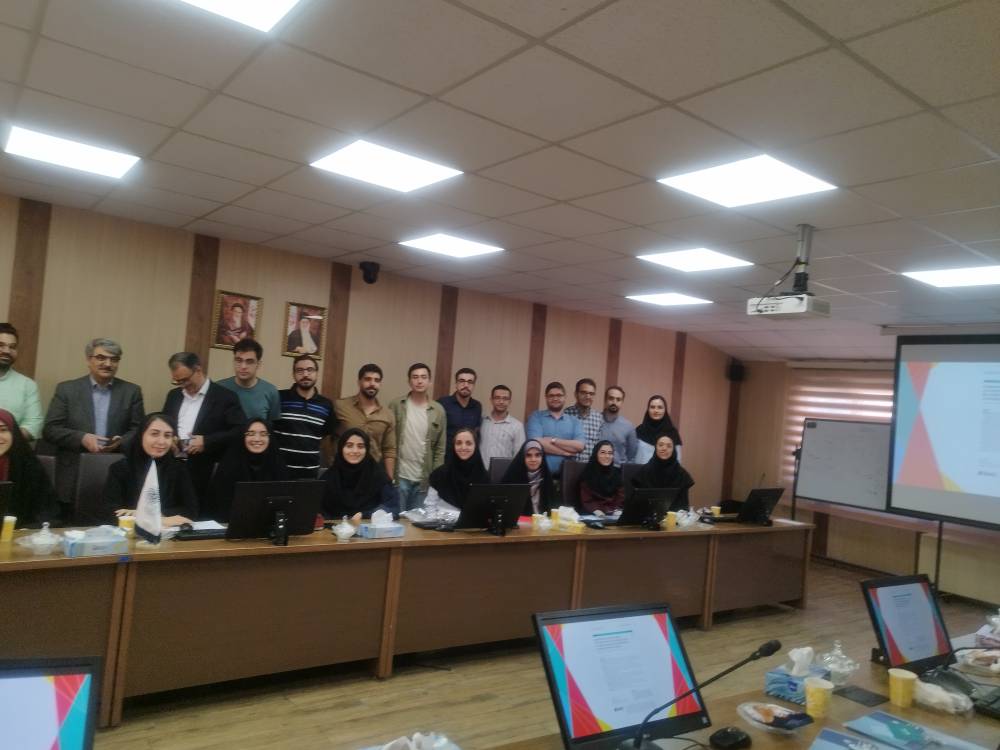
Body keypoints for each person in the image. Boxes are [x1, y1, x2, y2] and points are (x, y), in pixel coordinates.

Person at [42, 338, 145, 513]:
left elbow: (139, 430)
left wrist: (121, 441)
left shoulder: (131, 392)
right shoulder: (67, 390)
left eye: (114, 359)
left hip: (116, 470)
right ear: (89, 360)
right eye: (101, 358)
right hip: (72, 472)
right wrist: (82, 438)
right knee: (69, 522)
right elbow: (50, 429)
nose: (108, 364)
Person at [162, 352, 244, 509]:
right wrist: (169, 438)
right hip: (172, 467)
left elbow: (239, 431)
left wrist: (206, 441)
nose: (182, 385)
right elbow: (164, 423)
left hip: (205, 472)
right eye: (177, 381)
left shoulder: (225, 397)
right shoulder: (173, 395)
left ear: (198, 369)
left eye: (185, 379)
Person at [100, 412, 198, 526]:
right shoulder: (120, 468)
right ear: (141, 435)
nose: (161, 441)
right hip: (129, 533)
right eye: (154, 434)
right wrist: (157, 518)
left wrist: (146, 516)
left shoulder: (178, 468)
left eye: (167, 436)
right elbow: (109, 513)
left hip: (170, 534)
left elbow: (191, 511)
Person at [207, 418, 289, 522]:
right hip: (230, 524)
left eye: (263, 434)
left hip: (268, 525)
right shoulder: (229, 465)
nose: (257, 439)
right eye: (250, 434)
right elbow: (220, 506)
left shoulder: (277, 464)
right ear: (242, 436)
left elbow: (283, 504)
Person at [388, 363, 445, 512]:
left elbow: (440, 449)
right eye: (415, 377)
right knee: (396, 520)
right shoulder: (396, 405)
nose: (419, 381)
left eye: (423, 377)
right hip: (400, 477)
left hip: (423, 480)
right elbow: (387, 442)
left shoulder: (438, 410)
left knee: (417, 523)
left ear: (429, 381)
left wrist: (435, 479)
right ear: (409, 381)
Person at [273, 355, 337, 479]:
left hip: (310, 473)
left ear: (317, 373)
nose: (305, 374)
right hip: (279, 471)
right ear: (293, 374)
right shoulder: (280, 398)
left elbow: (325, 436)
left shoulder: (326, 405)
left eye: (310, 370)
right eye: (300, 370)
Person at [321, 428, 399, 521]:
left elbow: (393, 507)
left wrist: (365, 515)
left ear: (367, 449)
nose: (355, 451)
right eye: (349, 446)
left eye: (360, 446)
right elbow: (318, 511)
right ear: (341, 448)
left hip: (370, 527)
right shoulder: (328, 478)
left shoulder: (378, 476)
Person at [334, 364, 396, 478]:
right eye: (367, 379)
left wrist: (390, 479)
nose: (372, 383)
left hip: (373, 473)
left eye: (376, 380)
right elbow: (328, 438)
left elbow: (389, 449)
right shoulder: (340, 406)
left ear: (380, 384)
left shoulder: (388, 415)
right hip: (343, 472)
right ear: (359, 382)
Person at [0, 409, 59, 526]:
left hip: (21, 533)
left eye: (3, 430)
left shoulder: (29, 466)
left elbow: (47, 512)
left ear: (13, 433)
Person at [424, 427, 490, 512]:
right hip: (440, 520)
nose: (463, 447)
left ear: (476, 446)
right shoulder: (440, 474)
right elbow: (429, 506)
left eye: (469, 443)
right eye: (458, 443)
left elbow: (485, 510)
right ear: (453, 446)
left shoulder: (484, 477)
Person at [525, 381, 585, 473]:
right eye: (551, 396)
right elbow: (535, 443)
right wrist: (564, 452)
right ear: (546, 397)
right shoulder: (536, 416)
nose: (555, 398)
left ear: (565, 397)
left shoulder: (575, 421)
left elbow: (579, 446)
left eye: (559, 395)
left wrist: (553, 440)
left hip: (567, 475)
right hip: (540, 473)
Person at [217, 338, 280, 423]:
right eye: (239, 360)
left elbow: (273, 426)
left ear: (258, 364)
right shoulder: (219, 388)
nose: (243, 366)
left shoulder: (271, 391)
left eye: (249, 361)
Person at [0, 323, 44, 440]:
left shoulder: (27, 385)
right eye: (1, 345)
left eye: (12, 347)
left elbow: (34, 425)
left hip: (12, 449)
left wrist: (5, 439)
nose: (7, 351)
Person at [631, 434, 695, 511]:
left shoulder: (682, 474)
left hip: (674, 516)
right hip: (646, 516)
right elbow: (636, 504)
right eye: (660, 445)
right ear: (656, 448)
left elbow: (683, 505)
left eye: (669, 446)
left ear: (673, 450)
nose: (664, 448)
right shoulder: (644, 472)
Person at [500, 439, 556, 515]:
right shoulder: (512, 478)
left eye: (537, 455)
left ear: (542, 457)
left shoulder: (546, 478)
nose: (533, 459)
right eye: (528, 455)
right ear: (522, 457)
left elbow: (554, 508)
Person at [479, 384, 525, 470]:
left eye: (505, 398)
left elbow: (519, 456)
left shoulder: (517, 426)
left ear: (510, 401)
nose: (501, 401)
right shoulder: (482, 421)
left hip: (504, 474)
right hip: (480, 472)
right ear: (491, 400)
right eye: (497, 398)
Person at [578, 441, 624, 514]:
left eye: (610, 453)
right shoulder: (587, 474)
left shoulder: (616, 473)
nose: (607, 456)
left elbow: (620, 497)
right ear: (596, 454)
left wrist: (616, 509)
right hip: (592, 512)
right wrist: (596, 510)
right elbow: (586, 499)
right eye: (603, 452)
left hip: (613, 512)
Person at [438, 368, 482, 445]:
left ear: (474, 385)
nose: (466, 385)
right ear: (456, 384)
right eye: (462, 381)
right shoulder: (442, 403)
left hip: (468, 451)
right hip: (446, 452)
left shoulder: (477, 406)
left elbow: (476, 434)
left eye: (470, 382)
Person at [635, 395, 683, 464]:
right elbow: (632, 456)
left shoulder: (672, 433)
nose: (656, 410)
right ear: (648, 409)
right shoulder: (639, 431)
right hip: (641, 470)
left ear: (665, 410)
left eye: (660, 407)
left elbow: (677, 460)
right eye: (652, 407)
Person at [564, 378, 603, 462]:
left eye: (591, 394)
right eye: (583, 393)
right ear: (576, 394)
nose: (587, 396)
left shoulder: (599, 418)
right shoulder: (565, 415)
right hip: (569, 465)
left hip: (590, 467)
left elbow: (599, 447)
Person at [598, 385, 637, 466]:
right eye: (611, 398)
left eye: (618, 399)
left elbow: (631, 455)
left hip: (618, 470)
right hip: (595, 468)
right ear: (605, 400)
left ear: (622, 402)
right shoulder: (595, 421)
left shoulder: (628, 427)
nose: (614, 402)